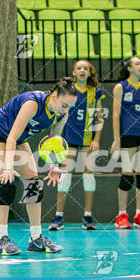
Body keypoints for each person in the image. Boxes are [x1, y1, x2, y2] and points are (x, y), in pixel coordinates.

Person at [0, 77, 77, 255]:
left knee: (34, 184)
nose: (66, 110)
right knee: (7, 184)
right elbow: (11, 137)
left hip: (18, 140)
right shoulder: (33, 103)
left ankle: (36, 239)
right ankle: (1, 240)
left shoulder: (62, 113)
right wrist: (9, 168)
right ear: (54, 96)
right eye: (65, 105)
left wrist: (53, 165)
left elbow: (54, 141)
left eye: (70, 107)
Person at [49, 60, 105, 231]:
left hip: (88, 138)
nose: (82, 71)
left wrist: (96, 140)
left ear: (90, 73)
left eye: (85, 69)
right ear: (74, 72)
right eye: (79, 68)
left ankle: (87, 216)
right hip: (69, 138)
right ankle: (58, 217)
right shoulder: (66, 90)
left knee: (89, 176)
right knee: (64, 175)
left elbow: (99, 118)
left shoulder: (94, 92)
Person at [111, 57, 140, 229]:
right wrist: (116, 139)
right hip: (127, 134)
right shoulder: (121, 87)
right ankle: (121, 215)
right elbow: (116, 114)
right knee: (127, 175)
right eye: (137, 64)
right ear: (129, 68)